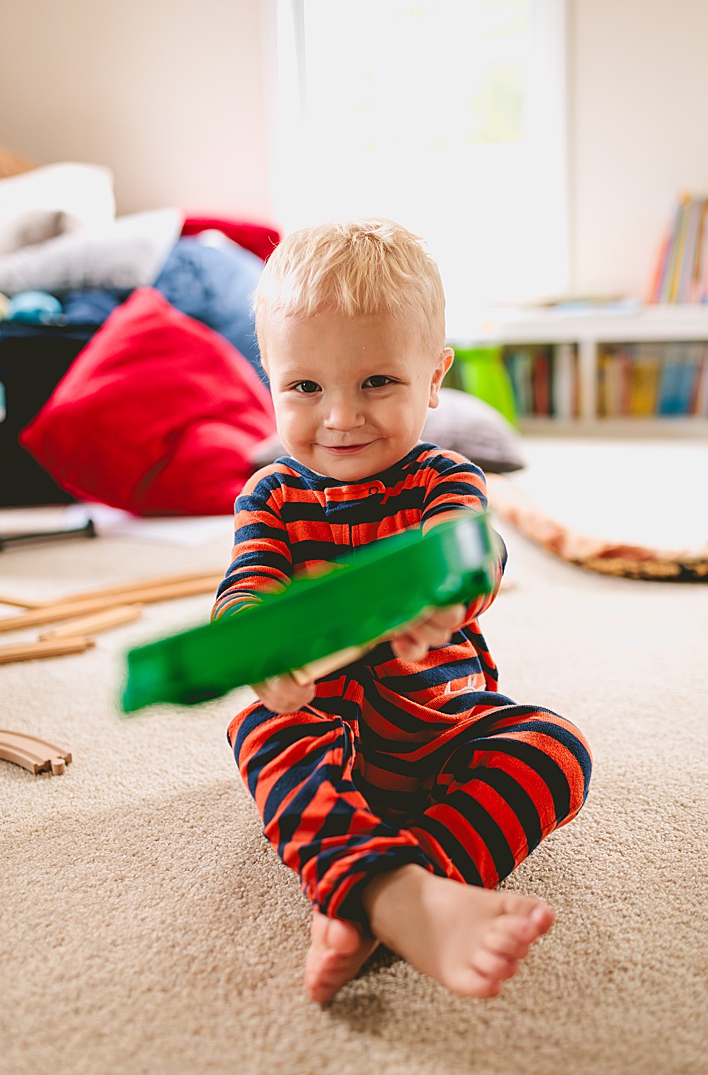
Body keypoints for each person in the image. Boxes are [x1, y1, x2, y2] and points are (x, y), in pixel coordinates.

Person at [214, 218, 591, 1005]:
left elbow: (472, 555)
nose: (341, 417)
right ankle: (394, 898)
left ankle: (397, 886)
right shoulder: (271, 496)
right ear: (269, 379)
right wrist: (257, 656)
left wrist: (440, 597)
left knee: (556, 748)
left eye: (377, 382)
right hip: (320, 720)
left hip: (439, 725)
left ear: (434, 378)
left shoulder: (444, 476)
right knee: (259, 732)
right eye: (305, 387)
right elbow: (243, 592)